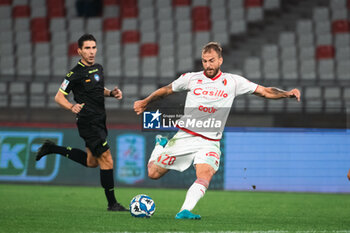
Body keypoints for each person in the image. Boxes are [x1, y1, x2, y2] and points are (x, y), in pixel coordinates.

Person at [134, 42, 301, 220]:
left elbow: (265, 91)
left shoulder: (233, 82)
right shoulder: (191, 78)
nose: (208, 65)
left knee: (205, 174)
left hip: (210, 141)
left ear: (220, 60)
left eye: (211, 60)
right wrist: (146, 101)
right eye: (204, 61)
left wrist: (287, 94)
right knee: (153, 173)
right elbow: (167, 89)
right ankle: (160, 146)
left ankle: (184, 211)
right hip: (185, 136)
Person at [35, 34, 128, 212]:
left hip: (100, 120)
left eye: (93, 47)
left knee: (92, 162)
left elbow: (98, 91)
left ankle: (52, 148)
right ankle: (112, 204)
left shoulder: (98, 68)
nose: (91, 52)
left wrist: (111, 93)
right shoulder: (74, 74)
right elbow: (58, 97)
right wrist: (71, 107)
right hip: (88, 122)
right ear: (79, 51)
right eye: (87, 48)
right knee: (107, 159)